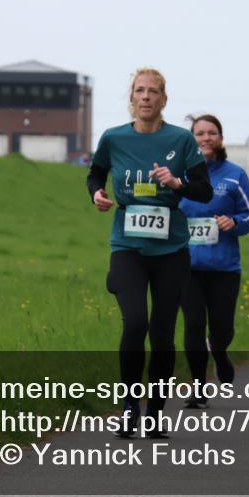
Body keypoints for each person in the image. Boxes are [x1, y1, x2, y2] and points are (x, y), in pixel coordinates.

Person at [87, 68, 212, 438]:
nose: (146, 97)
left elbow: (204, 191)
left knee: (161, 333)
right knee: (135, 323)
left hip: (171, 250)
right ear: (132, 97)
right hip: (127, 247)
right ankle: (129, 407)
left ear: (163, 99)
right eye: (139, 91)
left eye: (153, 91)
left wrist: (177, 183)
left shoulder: (181, 140)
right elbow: (95, 174)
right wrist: (96, 193)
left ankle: (155, 412)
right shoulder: (113, 138)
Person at [180, 115, 249, 407]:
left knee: (221, 329)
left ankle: (220, 352)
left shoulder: (234, 175)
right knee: (193, 326)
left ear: (221, 139)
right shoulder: (180, 176)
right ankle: (198, 387)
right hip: (187, 267)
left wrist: (233, 222)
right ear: (191, 139)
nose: (206, 138)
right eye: (199, 133)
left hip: (224, 268)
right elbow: (167, 213)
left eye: (212, 133)